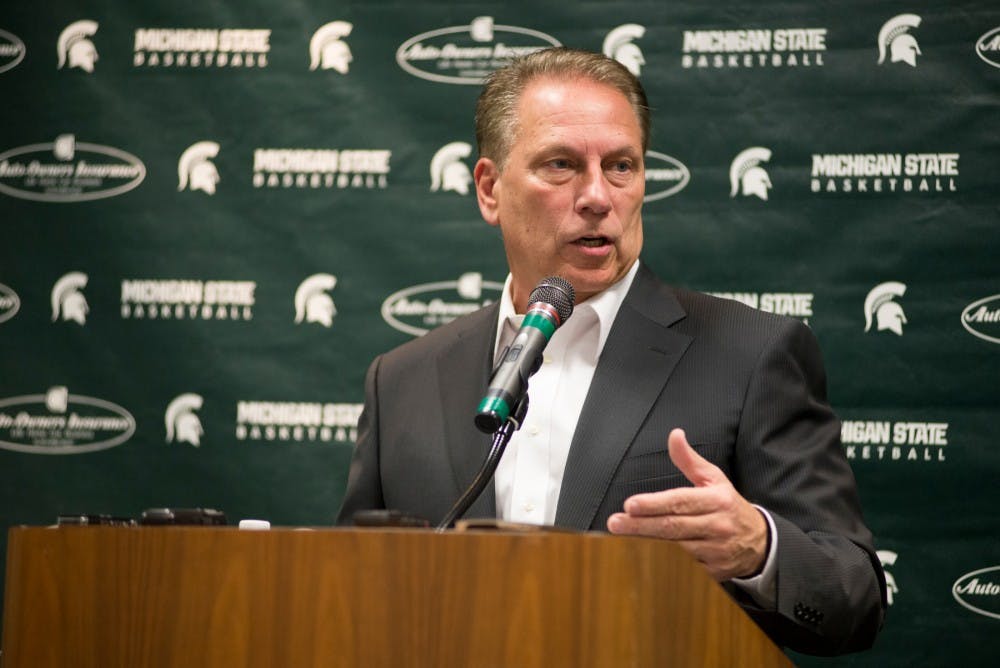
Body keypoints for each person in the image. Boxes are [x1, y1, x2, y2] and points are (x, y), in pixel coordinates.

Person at [338, 47, 886, 655]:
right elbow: (344, 599)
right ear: (490, 190)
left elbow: (854, 597)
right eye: (562, 165)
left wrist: (758, 547)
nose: (598, 195)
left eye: (621, 166)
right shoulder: (403, 380)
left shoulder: (751, 355)